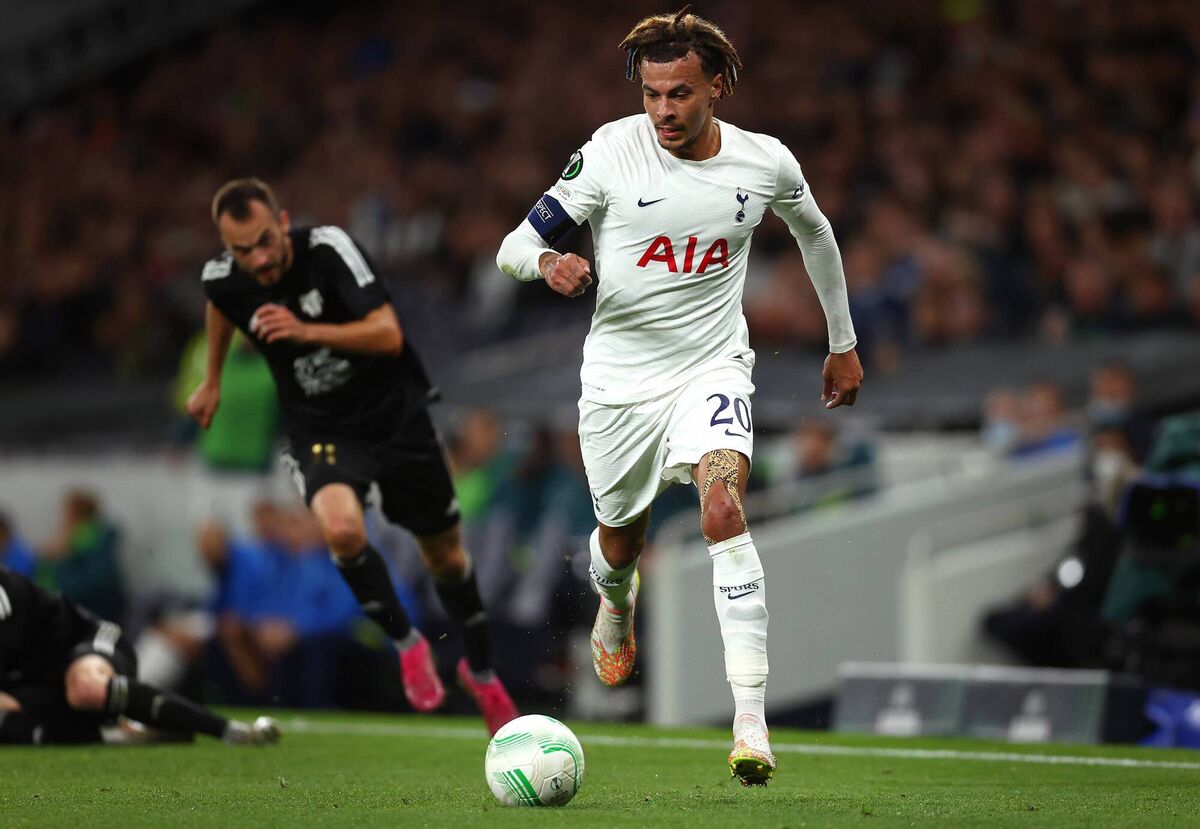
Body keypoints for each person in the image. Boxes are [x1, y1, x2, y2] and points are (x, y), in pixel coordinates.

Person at [496, 9, 861, 785]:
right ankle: (617, 602)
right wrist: (547, 266)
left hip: (712, 369)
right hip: (620, 389)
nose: (662, 109)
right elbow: (515, 243)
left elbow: (817, 234)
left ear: (717, 86)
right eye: (653, 92)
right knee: (619, 543)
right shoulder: (609, 152)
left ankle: (751, 723)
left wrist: (842, 340)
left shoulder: (763, 164)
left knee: (722, 506)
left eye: (680, 93)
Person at [187, 178, 517, 733]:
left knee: (447, 558)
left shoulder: (329, 249)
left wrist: (305, 329)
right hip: (321, 428)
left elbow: (387, 334)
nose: (258, 259)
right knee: (340, 530)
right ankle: (406, 644)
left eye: (266, 242)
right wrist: (213, 379)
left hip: (396, 419)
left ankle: (481, 672)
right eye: (243, 250)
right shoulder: (226, 277)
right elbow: (222, 303)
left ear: (283, 220)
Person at [0, 565, 278, 745]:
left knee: (86, 688)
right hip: (35, 681)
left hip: (84, 643)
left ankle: (227, 730)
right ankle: (128, 734)